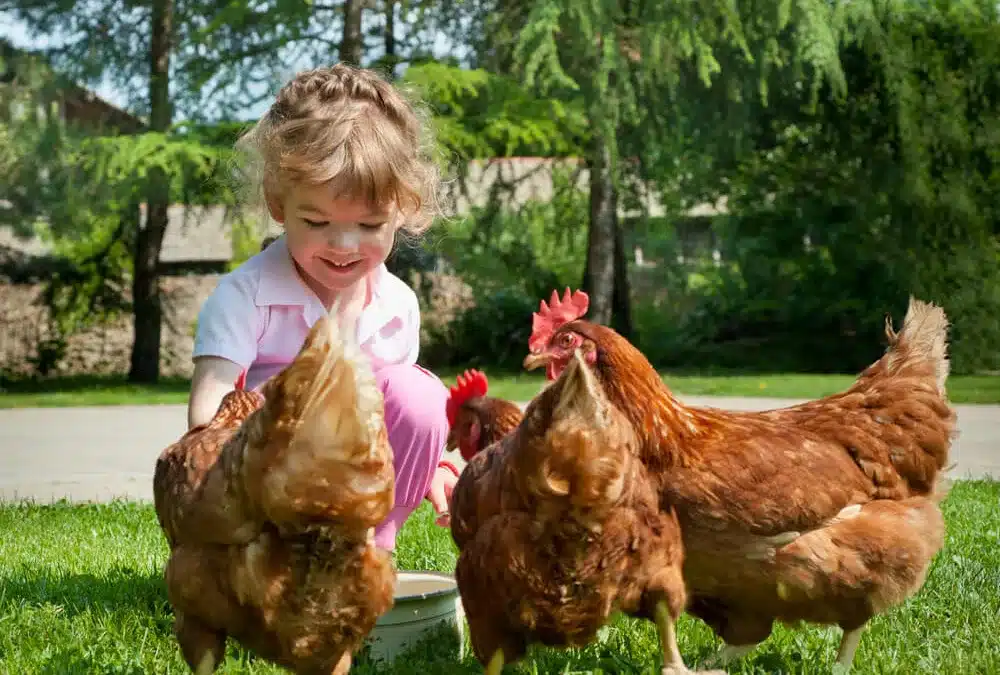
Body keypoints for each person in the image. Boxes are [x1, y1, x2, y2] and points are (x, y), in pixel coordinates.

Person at [186, 63, 457, 550]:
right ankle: (274, 555)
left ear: (404, 211)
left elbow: (398, 418)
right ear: (277, 203)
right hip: (258, 500)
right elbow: (208, 417)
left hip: (352, 495)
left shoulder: (396, 305)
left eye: (371, 226)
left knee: (420, 395)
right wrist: (292, 400)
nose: (343, 244)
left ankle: (374, 548)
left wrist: (433, 462)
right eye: (316, 221)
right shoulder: (245, 296)